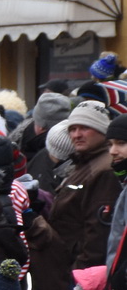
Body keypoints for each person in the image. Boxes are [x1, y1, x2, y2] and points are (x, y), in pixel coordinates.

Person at [49, 100, 119, 270]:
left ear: (102, 130)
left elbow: (98, 232)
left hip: (83, 270)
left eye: (84, 128)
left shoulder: (105, 170)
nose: (76, 135)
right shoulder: (85, 162)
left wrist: (81, 272)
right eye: (72, 129)